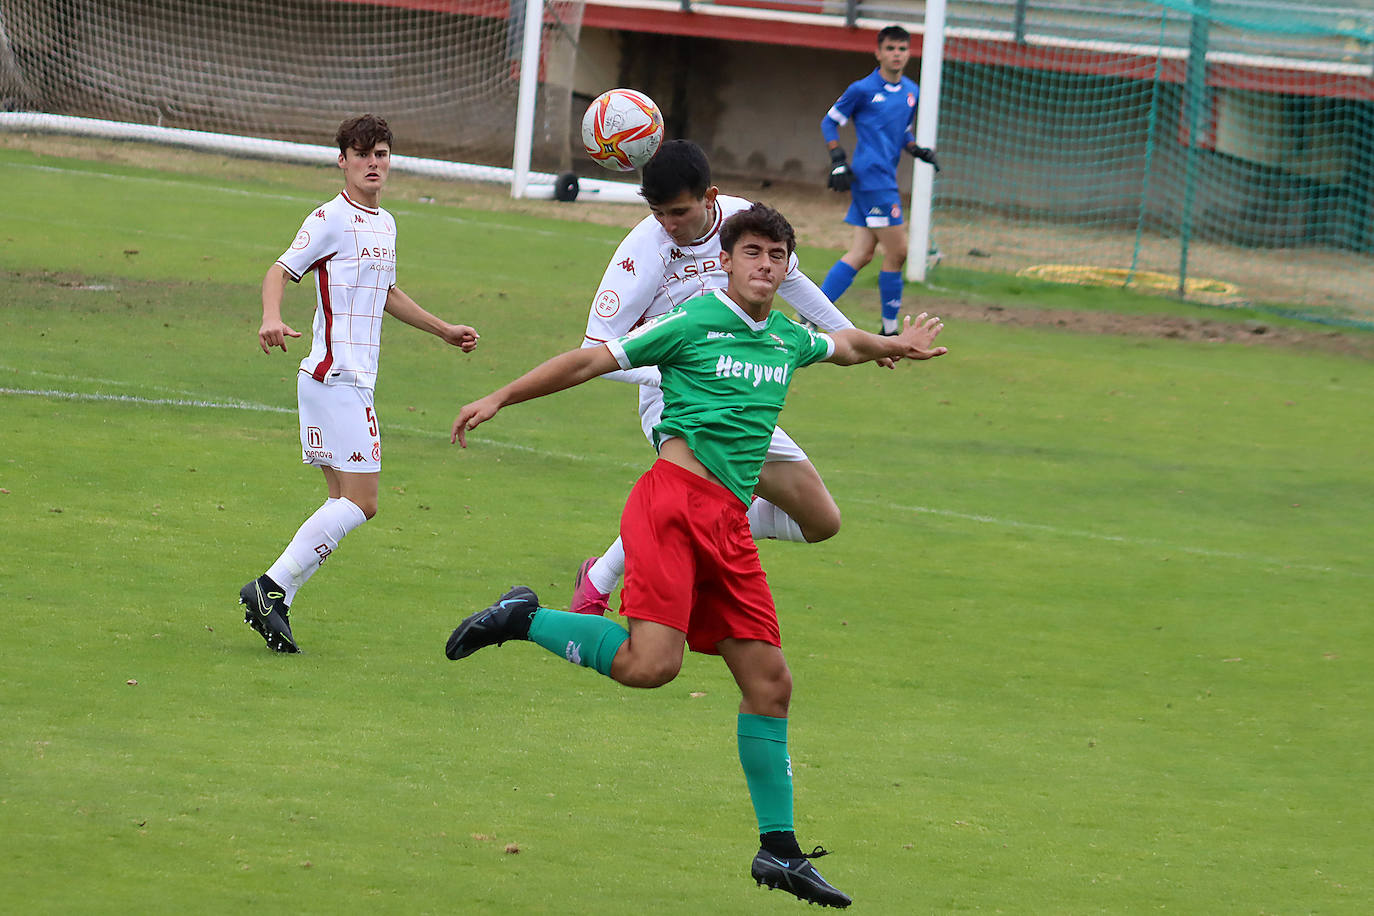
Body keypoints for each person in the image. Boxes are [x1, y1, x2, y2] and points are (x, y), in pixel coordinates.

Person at [445, 203, 946, 907]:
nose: (765, 266)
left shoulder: (788, 339)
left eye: (776, 256)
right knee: (652, 667)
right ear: (726, 262)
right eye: (752, 253)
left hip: (728, 529)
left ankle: (779, 853)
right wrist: (500, 395)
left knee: (770, 684)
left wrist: (895, 344)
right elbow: (593, 358)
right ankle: (523, 619)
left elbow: (849, 346)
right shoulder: (691, 324)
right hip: (671, 509)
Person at [570, 139, 880, 617]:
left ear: (710, 198)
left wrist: (852, 337)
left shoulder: (742, 222)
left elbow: (795, 285)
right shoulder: (641, 252)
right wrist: (677, 371)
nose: (668, 225)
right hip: (674, 398)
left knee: (821, 522)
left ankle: (708, 529)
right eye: (657, 213)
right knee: (696, 498)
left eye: (678, 212)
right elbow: (595, 350)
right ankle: (599, 582)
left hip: (744, 391)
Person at [238, 113, 479, 653]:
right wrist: (270, 317)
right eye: (363, 153)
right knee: (363, 503)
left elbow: (386, 292)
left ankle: (278, 603)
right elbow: (280, 269)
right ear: (342, 160)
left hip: (346, 382)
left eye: (382, 154)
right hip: (335, 378)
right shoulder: (329, 218)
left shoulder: (386, 224)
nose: (374, 163)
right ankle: (269, 587)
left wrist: (443, 330)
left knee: (339, 503)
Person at [820, 24, 940, 335]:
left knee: (861, 253)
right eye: (890, 49)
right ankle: (889, 330)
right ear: (878, 53)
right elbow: (829, 123)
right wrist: (837, 159)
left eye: (902, 49)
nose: (896, 54)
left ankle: (810, 314)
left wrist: (916, 150)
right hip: (872, 179)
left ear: (909, 53)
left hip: (885, 178)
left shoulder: (911, 92)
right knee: (898, 251)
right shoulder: (862, 89)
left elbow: (901, 132)